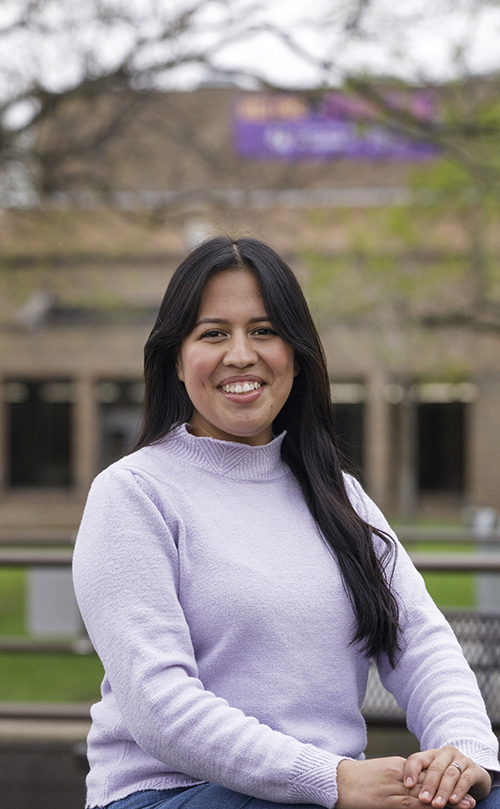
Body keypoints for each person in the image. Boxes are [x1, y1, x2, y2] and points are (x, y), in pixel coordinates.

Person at [72, 236, 500, 809]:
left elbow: (420, 643)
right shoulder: (134, 494)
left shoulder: (337, 494)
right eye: (214, 333)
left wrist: (462, 753)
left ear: (296, 356)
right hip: (175, 793)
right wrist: (332, 779)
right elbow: (160, 704)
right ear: (176, 359)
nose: (242, 354)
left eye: (265, 331)